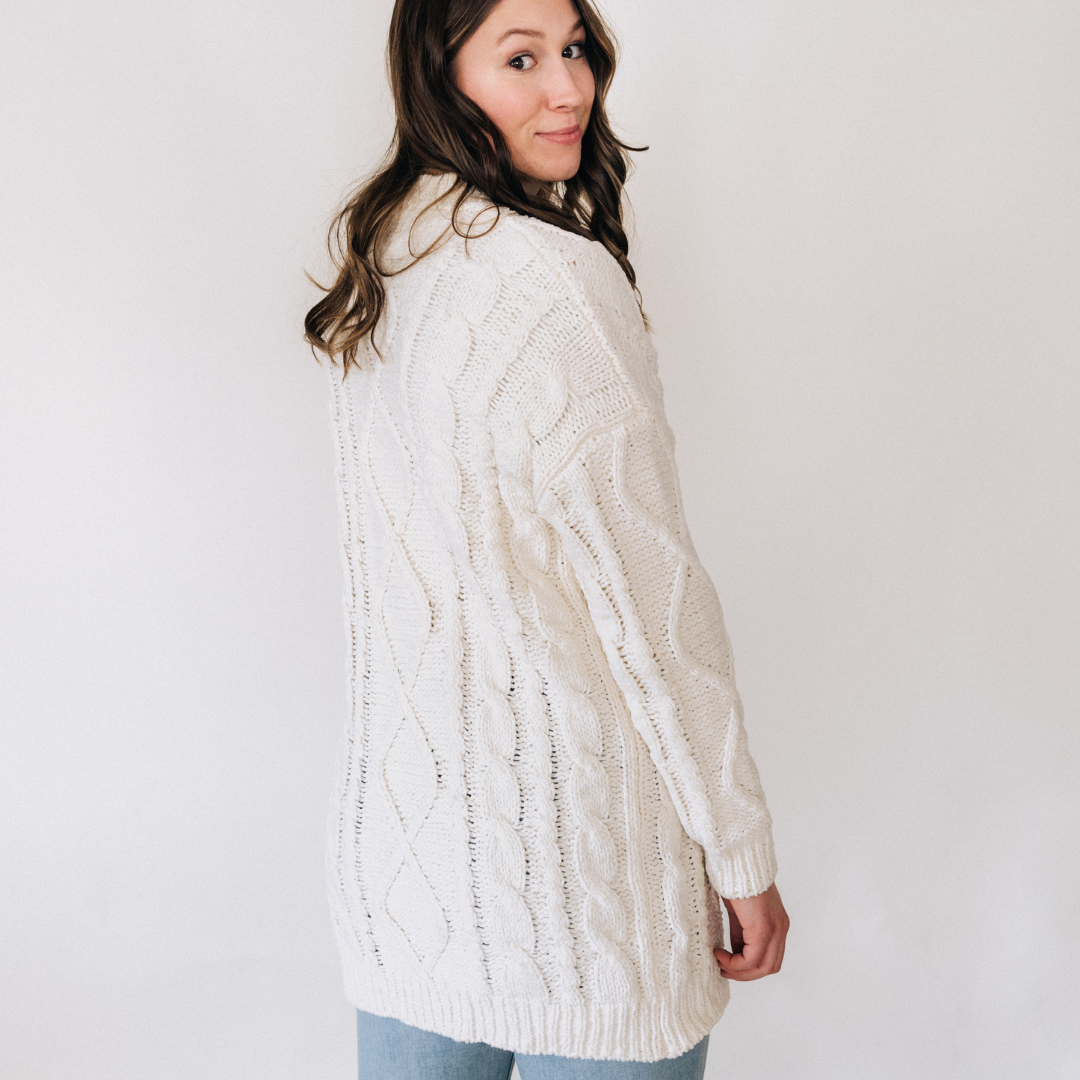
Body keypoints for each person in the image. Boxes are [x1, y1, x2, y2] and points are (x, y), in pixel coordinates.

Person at [304, 0, 789, 1075]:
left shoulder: (385, 255)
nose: (569, 88)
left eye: (572, 48)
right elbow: (655, 610)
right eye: (519, 58)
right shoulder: (553, 283)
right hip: (583, 891)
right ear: (440, 72)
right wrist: (740, 852)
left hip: (409, 870)